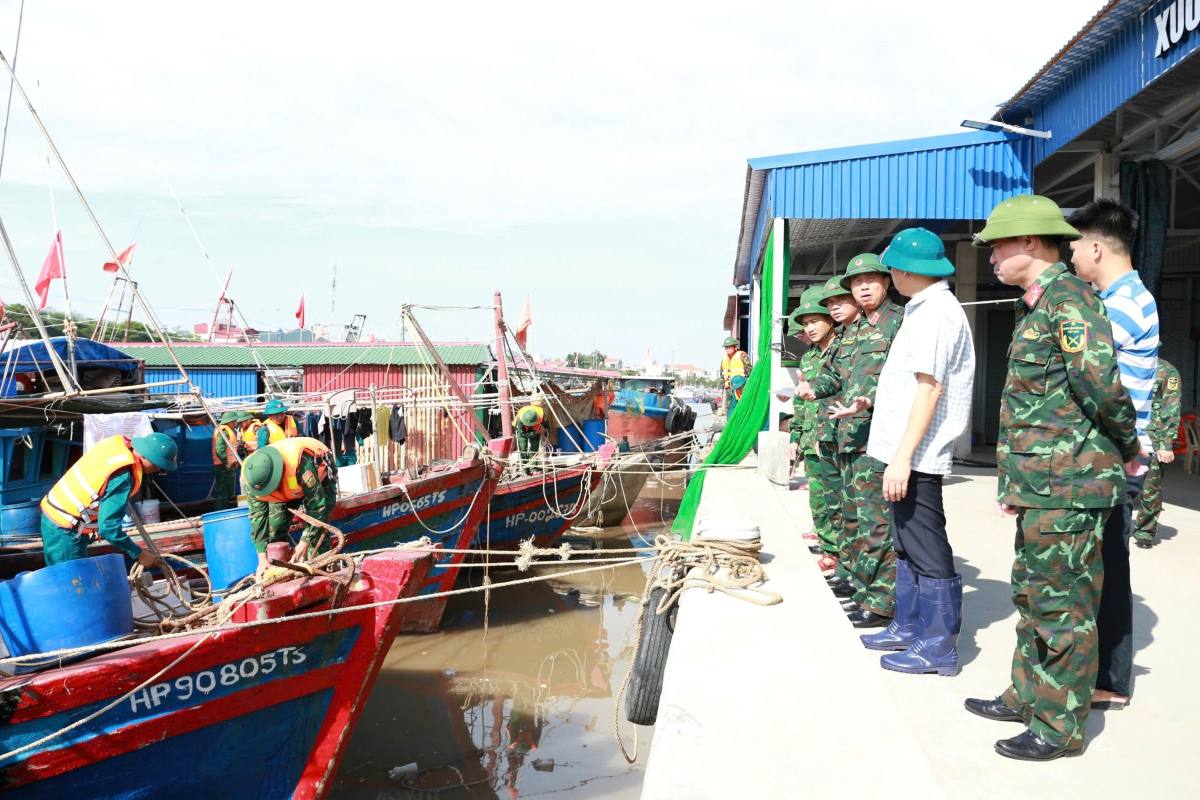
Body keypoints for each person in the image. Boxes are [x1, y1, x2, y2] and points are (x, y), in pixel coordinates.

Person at [964, 194, 1139, 761]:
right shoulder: (1039, 305)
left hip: (1070, 485)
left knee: (1062, 608)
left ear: (1030, 242)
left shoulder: (1071, 302)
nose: (991, 257)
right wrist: (1015, 483)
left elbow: (1103, 388)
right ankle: (1026, 695)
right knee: (1034, 597)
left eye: (997, 247)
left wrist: (1130, 447)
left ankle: (1059, 726)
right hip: (1041, 484)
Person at [857, 228, 975, 677]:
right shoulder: (922, 309)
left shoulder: (937, 313)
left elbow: (929, 388)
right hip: (906, 450)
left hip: (918, 453)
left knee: (925, 544)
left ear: (905, 270)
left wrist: (903, 457)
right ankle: (909, 625)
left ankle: (938, 646)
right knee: (906, 542)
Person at [1067, 198, 1159, 713]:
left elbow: (1095, 380)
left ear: (1097, 248)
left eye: (1075, 246)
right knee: (1100, 568)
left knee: (1109, 572)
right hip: (1109, 457)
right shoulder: (1114, 298)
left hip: (1119, 461)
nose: (1072, 256)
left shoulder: (1124, 304)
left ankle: (1111, 679)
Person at [801, 253, 903, 628]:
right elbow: (835, 376)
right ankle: (861, 587)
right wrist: (813, 387)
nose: (863, 287)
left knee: (876, 525)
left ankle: (881, 603)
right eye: (856, 282)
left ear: (886, 281)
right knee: (853, 521)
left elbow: (910, 378)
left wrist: (870, 400)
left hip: (879, 438)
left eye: (870, 280)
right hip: (849, 437)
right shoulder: (853, 332)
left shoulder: (899, 322)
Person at [39, 433, 178, 567]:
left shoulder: (117, 445)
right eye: (158, 465)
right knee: (72, 580)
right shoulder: (123, 477)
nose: (157, 470)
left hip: (55, 514)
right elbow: (108, 528)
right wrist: (139, 554)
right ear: (144, 456)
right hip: (65, 530)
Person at [787, 286, 840, 572]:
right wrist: (795, 436)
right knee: (818, 497)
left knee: (838, 500)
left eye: (815, 321)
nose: (810, 328)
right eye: (806, 323)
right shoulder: (808, 358)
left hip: (835, 437)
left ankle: (840, 553)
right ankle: (828, 545)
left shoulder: (842, 351)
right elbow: (801, 402)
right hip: (811, 437)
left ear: (829, 319)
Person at [241, 436, 338, 574]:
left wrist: (304, 543)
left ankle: (322, 569)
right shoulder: (251, 478)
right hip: (287, 489)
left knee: (318, 534)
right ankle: (280, 570)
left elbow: (318, 507)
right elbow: (258, 518)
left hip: (320, 473)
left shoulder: (301, 466)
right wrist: (262, 558)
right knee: (275, 530)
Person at [1135, 357, 1181, 548]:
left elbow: (1171, 407)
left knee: (1150, 489)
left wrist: (1166, 443)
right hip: (1120, 436)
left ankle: (1145, 532)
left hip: (1151, 439)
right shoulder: (1117, 363)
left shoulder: (1166, 370)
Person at [211, 411, 242, 511]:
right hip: (223, 467)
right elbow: (220, 449)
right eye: (235, 421)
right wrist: (227, 462)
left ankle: (224, 511)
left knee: (227, 493)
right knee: (223, 493)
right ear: (230, 421)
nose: (237, 422)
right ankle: (221, 512)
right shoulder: (224, 431)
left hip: (226, 466)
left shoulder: (227, 431)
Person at [720, 336, 751, 412]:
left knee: (742, 406)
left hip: (741, 387)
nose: (727, 349)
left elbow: (749, 370)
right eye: (726, 347)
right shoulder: (724, 359)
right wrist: (721, 388)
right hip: (729, 389)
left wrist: (748, 383)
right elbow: (722, 375)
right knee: (730, 408)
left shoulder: (742, 355)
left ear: (735, 347)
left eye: (729, 347)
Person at [514, 401, 548, 470]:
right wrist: (535, 433)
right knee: (523, 449)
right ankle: (525, 470)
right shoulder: (520, 421)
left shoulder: (542, 414)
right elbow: (522, 435)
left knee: (534, 448)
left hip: (536, 428)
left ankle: (534, 468)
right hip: (523, 431)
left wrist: (545, 435)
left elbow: (547, 426)